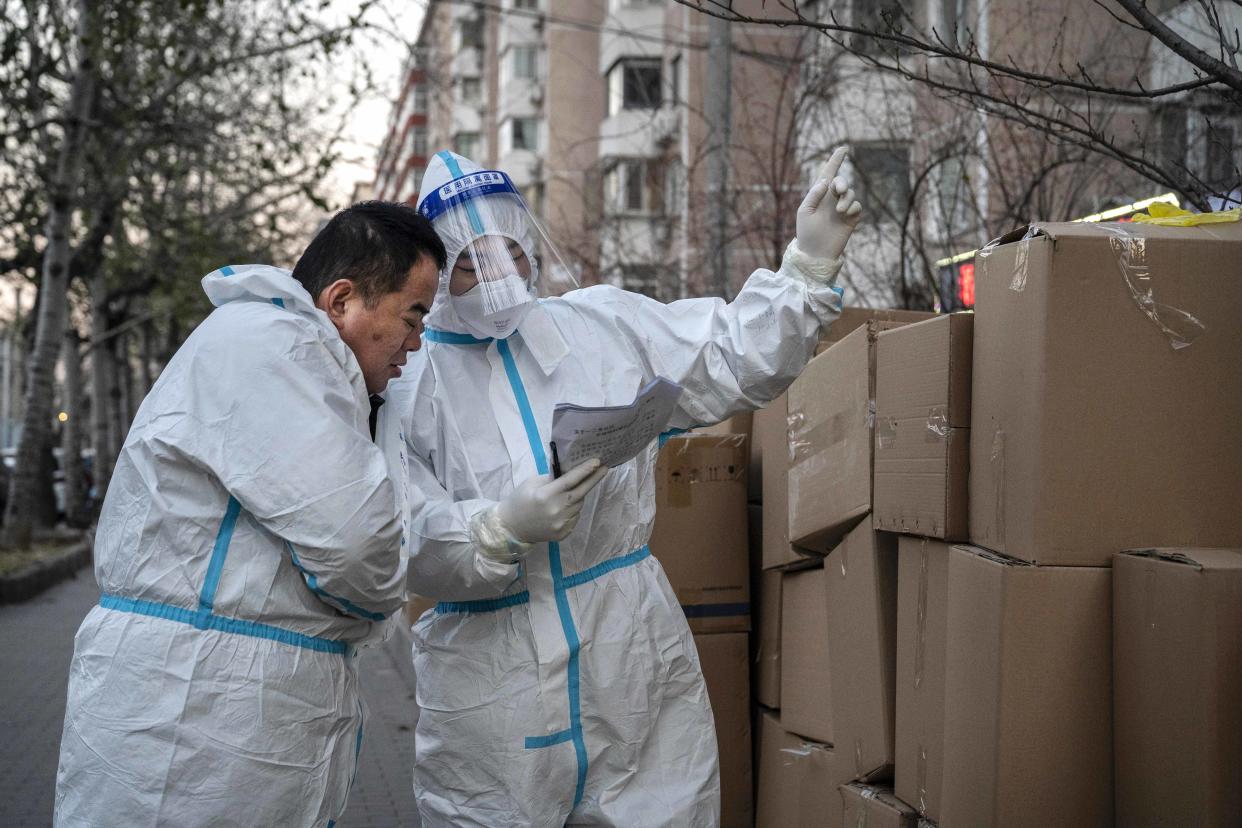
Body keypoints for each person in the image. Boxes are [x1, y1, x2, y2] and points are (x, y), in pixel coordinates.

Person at [394, 148, 861, 826]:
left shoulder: (598, 327)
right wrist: (495, 529)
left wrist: (807, 268)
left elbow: (726, 355)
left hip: (628, 648)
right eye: (472, 262)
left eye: (512, 253)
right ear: (436, 272)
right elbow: (398, 527)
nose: (499, 276)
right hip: (491, 676)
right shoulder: (411, 376)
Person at [54, 201, 445, 827]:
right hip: (200, 711)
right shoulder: (272, 346)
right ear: (342, 300)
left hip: (227, 703)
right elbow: (357, 547)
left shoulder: (312, 367)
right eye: (413, 314)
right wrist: (378, 590)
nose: (417, 341)